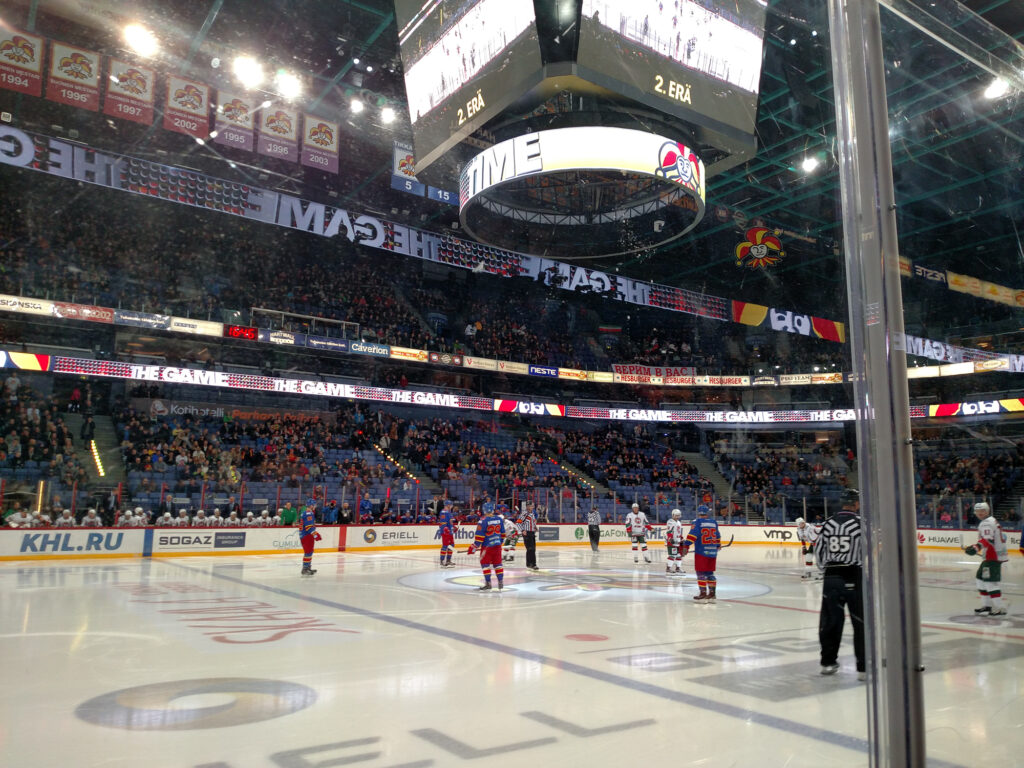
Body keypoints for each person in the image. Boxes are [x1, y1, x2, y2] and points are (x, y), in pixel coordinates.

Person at [814, 488, 865, 679]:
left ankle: (828, 662)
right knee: (861, 621)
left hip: (832, 576)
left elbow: (819, 553)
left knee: (830, 620)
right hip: (853, 574)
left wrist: (827, 569)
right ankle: (863, 666)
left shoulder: (828, 524)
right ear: (856, 504)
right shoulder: (861, 524)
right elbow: (868, 551)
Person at [965, 502, 1008, 616]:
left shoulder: (986, 523)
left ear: (987, 511)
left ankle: (1000, 608)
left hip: (992, 556)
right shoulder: (990, 521)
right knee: (980, 579)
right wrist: (977, 546)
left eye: (982, 511)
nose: (979, 513)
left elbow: (988, 540)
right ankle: (987, 605)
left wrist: (976, 547)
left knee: (990, 583)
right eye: (977, 511)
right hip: (990, 556)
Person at [682, 504, 721, 600]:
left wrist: (686, 545)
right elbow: (717, 536)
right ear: (707, 512)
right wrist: (717, 545)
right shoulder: (714, 522)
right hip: (712, 552)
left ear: (699, 513)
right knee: (710, 573)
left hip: (701, 552)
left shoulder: (697, 522)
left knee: (700, 573)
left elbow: (693, 535)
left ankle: (703, 593)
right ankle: (712, 593)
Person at [466, 507, 504, 590]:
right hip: (497, 546)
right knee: (498, 564)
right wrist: (499, 542)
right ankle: (500, 582)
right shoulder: (499, 518)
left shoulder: (483, 520)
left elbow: (479, 537)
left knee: (485, 564)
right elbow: (503, 533)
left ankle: (488, 583)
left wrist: (474, 547)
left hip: (487, 547)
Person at [298, 502, 321, 576]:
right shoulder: (309, 513)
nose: (315, 506)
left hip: (305, 535)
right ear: (311, 505)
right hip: (307, 535)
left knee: (309, 552)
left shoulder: (305, 512)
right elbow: (309, 527)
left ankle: (307, 567)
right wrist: (315, 535)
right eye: (314, 505)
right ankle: (305, 568)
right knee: (308, 552)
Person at [516, 501, 538, 570]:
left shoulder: (532, 513)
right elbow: (518, 523)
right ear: (528, 506)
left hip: (532, 533)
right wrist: (522, 530)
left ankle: (531, 564)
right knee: (530, 549)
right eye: (531, 506)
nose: (532, 507)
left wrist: (535, 527)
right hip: (527, 533)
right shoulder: (524, 514)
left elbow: (532, 522)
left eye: (532, 506)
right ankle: (531, 564)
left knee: (533, 549)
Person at [665, 508, 685, 575]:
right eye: (676, 515)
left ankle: (678, 568)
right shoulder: (670, 522)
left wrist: (681, 538)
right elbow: (669, 531)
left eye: (678, 515)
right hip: (672, 542)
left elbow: (679, 532)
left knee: (679, 555)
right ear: (673, 515)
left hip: (678, 541)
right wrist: (670, 539)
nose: (677, 517)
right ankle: (668, 568)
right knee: (672, 555)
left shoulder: (679, 522)